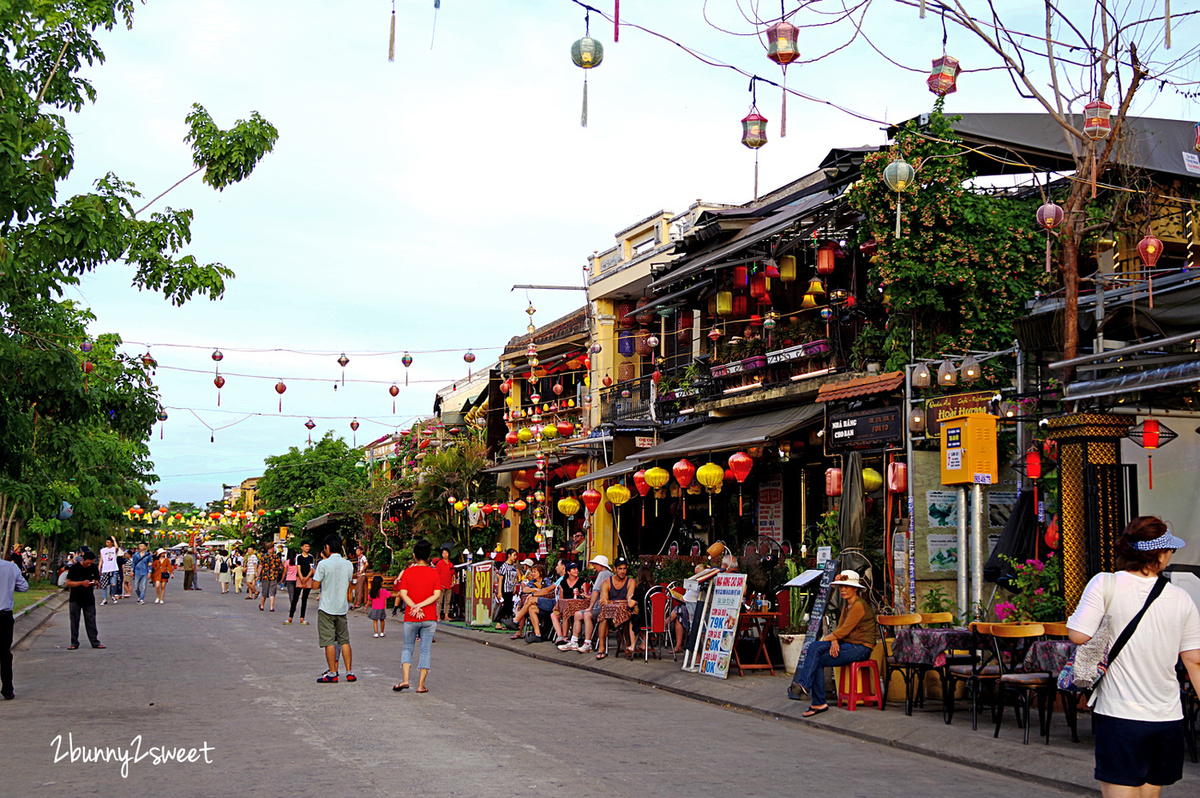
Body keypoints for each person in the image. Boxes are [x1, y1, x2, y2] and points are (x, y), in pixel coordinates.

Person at [1067, 516, 1200, 797]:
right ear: (1161, 555)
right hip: (1167, 718)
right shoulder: (1180, 598)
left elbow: (1079, 636)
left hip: (1120, 716)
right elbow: (1194, 661)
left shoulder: (1104, 584)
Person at [788, 569, 876, 717]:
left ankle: (806, 686)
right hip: (847, 643)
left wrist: (831, 637)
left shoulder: (858, 605)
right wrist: (834, 639)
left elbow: (843, 631)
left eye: (846, 586)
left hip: (860, 648)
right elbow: (840, 629)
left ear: (855, 588)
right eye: (841, 586)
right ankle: (817, 701)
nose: (843, 590)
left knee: (816, 650)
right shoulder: (847, 605)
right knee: (815, 652)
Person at [393, 538, 441, 694]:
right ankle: (421, 685)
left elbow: (403, 593)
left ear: (414, 555)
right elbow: (437, 594)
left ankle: (406, 679)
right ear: (429, 557)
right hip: (429, 616)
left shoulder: (407, 572)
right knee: (425, 650)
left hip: (411, 616)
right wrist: (421, 605)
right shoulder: (434, 573)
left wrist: (414, 605)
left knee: (407, 647)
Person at [313, 535, 355, 684]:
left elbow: (315, 586)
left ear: (328, 547)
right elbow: (349, 583)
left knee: (329, 641)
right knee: (344, 640)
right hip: (341, 607)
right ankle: (349, 672)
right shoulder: (348, 564)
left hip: (326, 607)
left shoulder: (323, 564)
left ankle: (332, 673)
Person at [559, 554, 611, 653]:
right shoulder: (607, 574)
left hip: (600, 608)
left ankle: (588, 643)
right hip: (602, 606)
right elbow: (599, 592)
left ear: (601, 565)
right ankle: (574, 641)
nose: (594, 567)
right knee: (577, 614)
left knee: (587, 614)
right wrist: (589, 597)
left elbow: (596, 591)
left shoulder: (603, 573)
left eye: (595, 564)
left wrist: (590, 607)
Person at [594, 557, 635, 660]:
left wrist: (611, 602)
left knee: (627, 618)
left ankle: (628, 645)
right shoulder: (606, 582)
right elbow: (603, 601)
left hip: (626, 611)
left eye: (624, 569)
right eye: (620, 569)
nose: (623, 571)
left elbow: (629, 600)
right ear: (615, 569)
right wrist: (611, 602)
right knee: (603, 618)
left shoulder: (631, 582)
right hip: (609, 612)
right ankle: (601, 647)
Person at [1, 552, 29, 699]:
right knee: (5, 653)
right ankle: (7, 689)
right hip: (4, 616)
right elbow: (23, 587)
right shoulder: (10, 567)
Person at [64, 550, 104, 650]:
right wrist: (81, 583)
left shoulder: (93, 567)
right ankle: (74, 642)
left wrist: (94, 582)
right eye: (87, 563)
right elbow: (68, 583)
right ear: (83, 559)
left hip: (88, 597)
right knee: (74, 621)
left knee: (91, 620)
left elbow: (97, 579)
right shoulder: (75, 568)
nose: (89, 564)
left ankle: (94, 641)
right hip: (75, 597)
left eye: (91, 562)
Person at [551, 562, 586, 647]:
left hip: (578, 606)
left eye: (577, 569)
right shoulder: (563, 583)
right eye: (574, 569)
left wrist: (580, 593)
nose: (576, 571)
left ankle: (565, 636)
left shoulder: (582, 581)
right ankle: (561, 636)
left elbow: (585, 595)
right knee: (553, 615)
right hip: (567, 607)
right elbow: (562, 598)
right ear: (568, 572)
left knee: (566, 614)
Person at [288, 542, 315, 625]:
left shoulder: (311, 557)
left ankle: (302, 618)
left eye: (308, 546)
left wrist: (306, 578)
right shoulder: (298, 557)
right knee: (295, 598)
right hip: (299, 578)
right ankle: (290, 617)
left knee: (305, 599)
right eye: (305, 546)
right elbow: (298, 568)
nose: (307, 548)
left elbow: (312, 568)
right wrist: (302, 578)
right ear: (302, 547)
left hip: (308, 578)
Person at [494, 549, 519, 629]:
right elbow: (500, 579)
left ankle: (508, 622)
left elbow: (514, 577)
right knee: (506, 605)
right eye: (514, 555)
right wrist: (499, 591)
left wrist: (514, 585)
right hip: (505, 587)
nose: (515, 557)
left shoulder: (513, 566)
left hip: (511, 588)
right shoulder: (504, 566)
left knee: (509, 605)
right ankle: (499, 621)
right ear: (509, 555)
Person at [258, 542, 283, 612]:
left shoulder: (263, 557)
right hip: (274, 576)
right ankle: (271, 607)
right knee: (272, 592)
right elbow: (280, 567)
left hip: (265, 576)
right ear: (272, 548)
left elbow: (260, 567)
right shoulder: (276, 557)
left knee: (264, 591)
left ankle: (262, 605)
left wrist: (258, 575)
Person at [435, 546, 455, 622]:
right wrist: (439, 584)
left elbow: (453, 574)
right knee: (439, 601)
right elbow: (437, 575)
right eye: (443, 553)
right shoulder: (440, 564)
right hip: (441, 585)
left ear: (448, 554)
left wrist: (453, 582)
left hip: (449, 585)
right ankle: (438, 616)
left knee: (447, 601)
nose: (445, 555)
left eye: (446, 553)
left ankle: (446, 615)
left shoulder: (450, 564)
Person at [98, 537, 120, 605]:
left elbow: (117, 548)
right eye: (106, 542)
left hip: (113, 568)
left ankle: (112, 595)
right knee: (104, 585)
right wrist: (99, 568)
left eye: (108, 542)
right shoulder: (103, 550)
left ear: (111, 543)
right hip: (105, 569)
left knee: (113, 584)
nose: (107, 543)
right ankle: (104, 599)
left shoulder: (114, 549)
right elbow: (101, 560)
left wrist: (114, 540)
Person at [281, 550, 298, 617]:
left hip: (289, 579)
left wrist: (282, 579)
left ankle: (292, 607)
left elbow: (285, 572)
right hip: (296, 579)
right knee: (295, 594)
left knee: (291, 594)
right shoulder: (297, 561)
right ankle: (294, 605)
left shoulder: (287, 562)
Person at [351, 545, 369, 610]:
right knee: (357, 589)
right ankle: (355, 603)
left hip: (361, 575)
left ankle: (358, 603)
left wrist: (362, 571)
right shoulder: (359, 558)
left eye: (358, 550)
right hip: (359, 575)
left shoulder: (363, 557)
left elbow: (366, 564)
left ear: (361, 551)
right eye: (356, 550)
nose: (357, 552)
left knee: (359, 589)